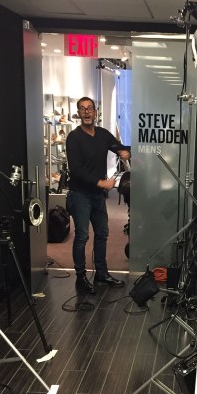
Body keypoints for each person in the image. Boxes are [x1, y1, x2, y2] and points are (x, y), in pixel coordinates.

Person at [66, 97, 131, 294]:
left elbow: (117, 146)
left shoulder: (102, 134)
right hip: (80, 195)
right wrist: (101, 183)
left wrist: (125, 152)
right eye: (82, 109)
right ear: (78, 113)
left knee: (102, 234)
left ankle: (101, 274)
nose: (86, 112)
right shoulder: (74, 138)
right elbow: (76, 170)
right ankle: (80, 277)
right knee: (82, 236)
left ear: (95, 112)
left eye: (90, 108)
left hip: (97, 196)